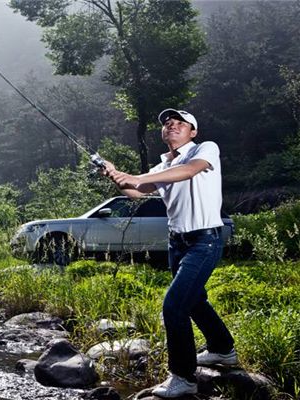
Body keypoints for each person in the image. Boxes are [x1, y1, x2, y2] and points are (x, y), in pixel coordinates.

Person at [100, 109, 237, 398]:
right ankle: (223, 350)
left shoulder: (205, 150)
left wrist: (134, 177)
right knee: (195, 301)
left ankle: (183, 378)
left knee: (174, 306)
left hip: (205, 239)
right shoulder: (161, 165)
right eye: (166, 123)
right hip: (177, 242)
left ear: (193, 131)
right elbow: (137, 191)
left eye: (179, 123)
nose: (171, 125)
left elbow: (187, 172)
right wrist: (116, 175)